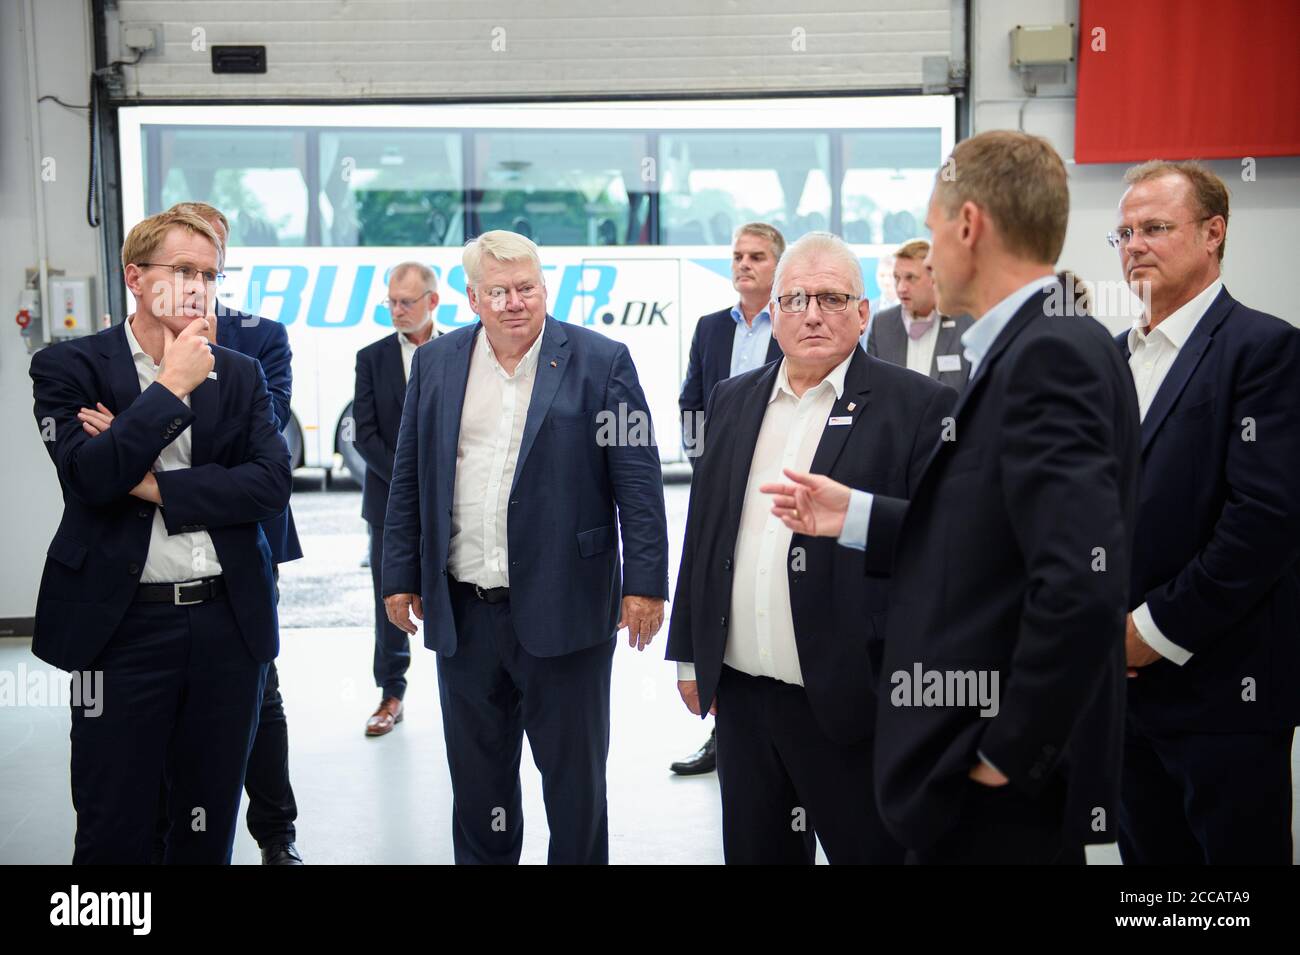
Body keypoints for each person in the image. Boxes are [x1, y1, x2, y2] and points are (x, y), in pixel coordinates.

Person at [762, 131, 1140, 864]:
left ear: (970, 224)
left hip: (1000, 797)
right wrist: (857, 514)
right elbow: (993, 542)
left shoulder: (1048, 353)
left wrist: (1005, 754)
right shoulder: (1041, 340)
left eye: (934, 227)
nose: (926, 252)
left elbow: (1079, 582)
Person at [381, 230, 669, 864]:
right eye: (498, 292)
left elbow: (639, 483)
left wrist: (645, 584)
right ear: (471, 297)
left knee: (574, 786)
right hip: (464, 611)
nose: (515, 303)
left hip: (568, 610)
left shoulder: (603, 360)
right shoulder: (437, 363)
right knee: (478, 785)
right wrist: (399, 573)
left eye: (527, 288)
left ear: (546, 288)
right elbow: (409, 477)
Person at [666, 232, 955, 863]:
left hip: (854, 703)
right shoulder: (734, 399)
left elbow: (948, 547)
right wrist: (692, 655)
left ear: (861, 311)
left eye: (831, 297)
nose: (813, 314)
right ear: (772, 313)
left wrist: (855, 518)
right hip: (743, 700)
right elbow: (706, 531)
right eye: (794, 299)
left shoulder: (919, 406)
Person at [29, 209, 292, 863]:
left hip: (227, 626)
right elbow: (89, 480)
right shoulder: (68, 366)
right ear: (136, 278)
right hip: (120, 630)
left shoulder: (238, 372)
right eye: (183, 270)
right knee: (113, 827)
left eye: (210, 274)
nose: (200, 286)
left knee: (205, 829)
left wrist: (152, 486)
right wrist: (171, 386)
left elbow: (268, 485)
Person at [1109, 160, 1300, 865]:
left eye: (1155, 227)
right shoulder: (1109, 359)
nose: (1134, 246)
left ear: (1213, 232)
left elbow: (1264, 522)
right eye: (1124, 232)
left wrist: (1151, 632)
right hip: (1120, 694)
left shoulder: (1263, 348)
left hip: (1224, 690)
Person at [672, 221, 785, 775]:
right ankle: (722, 732)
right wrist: (707, 464)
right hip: (718, 485)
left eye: (757, 256)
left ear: (777, 265)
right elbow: (691, 401)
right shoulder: (710, 328)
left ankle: (774, 730)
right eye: (738, 255)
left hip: (777, 484)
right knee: (715, 597)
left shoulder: (792, 323)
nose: (744, 264)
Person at [352, 262, 439, 737]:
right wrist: (411, 481)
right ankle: (390, 693)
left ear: (433, 301)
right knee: (391, 600)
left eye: (406, 301)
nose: (398, 310)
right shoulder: (372, 358)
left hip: (451, 503)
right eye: (391, 301)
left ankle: (474, 690)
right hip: (388, 505)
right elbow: (364, 435)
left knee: (458, 595)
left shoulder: (461, 349)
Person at [865, 239, 973, 391]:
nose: (901, 288)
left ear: (934, 278)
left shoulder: (965, 323)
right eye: (897, 278)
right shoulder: (882, 324)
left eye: (910, 278)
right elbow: (871, 387)